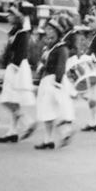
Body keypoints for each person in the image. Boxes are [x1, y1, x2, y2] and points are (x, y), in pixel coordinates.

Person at [33, 15, 75, 150]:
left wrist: (57, 82)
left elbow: (61, 66)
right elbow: (43, 63)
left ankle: (65, 133)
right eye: (48, 29)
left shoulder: (61, 48)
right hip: (46, 81)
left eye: (51, 29)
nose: (48, 31)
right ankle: (48, 140)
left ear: (57, 31)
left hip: (54, 81)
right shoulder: (48, 47)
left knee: (58, 109)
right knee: (47, 111)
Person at [0, 3, 36, 143]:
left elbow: (21, 53)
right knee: (12, 100)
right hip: (12, 67)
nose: (8, 16)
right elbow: (9, 52)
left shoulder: (22, 32)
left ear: (18, 16)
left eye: (11, 14)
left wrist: (11, 68)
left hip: (17, 68)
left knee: (6, 99)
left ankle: (27, 121)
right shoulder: (15, 31)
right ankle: (12, 131)